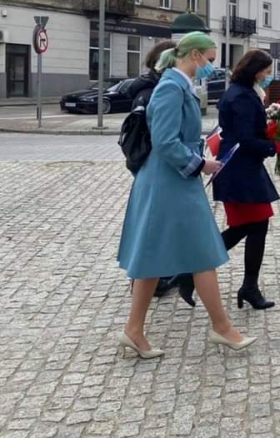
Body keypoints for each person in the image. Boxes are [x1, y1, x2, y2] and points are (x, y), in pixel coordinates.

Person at [117, 31, 256, 358]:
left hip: (173, 182)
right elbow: (165, 142)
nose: (212, 66)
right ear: (195, 55)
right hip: (169, 183)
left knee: (156, 256)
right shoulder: (171, 87)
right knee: (201, 253)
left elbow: (176, 137)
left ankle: (134, 330)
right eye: (210, 59)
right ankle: (221, 328)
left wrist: (202, 153)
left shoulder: (179, 85)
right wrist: (200, 165)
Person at [179, 49, 280, 310]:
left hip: (242, 170)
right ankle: (193, 271)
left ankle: (248, 286)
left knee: (253, 226)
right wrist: (273, 146)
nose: (268, 76)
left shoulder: (240, 92)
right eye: (266, 72)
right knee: (248, 227)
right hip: (240, 172)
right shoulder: (243, 97)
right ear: (255, 71)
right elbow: (245, 139)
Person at [124, 39, 179, 299]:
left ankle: (159, 274)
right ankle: (147, 279)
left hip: (146, 161)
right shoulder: (155, 91)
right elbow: (159, 135)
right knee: (152, 225)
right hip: (151, 162)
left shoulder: (151, 87)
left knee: (156, 223)